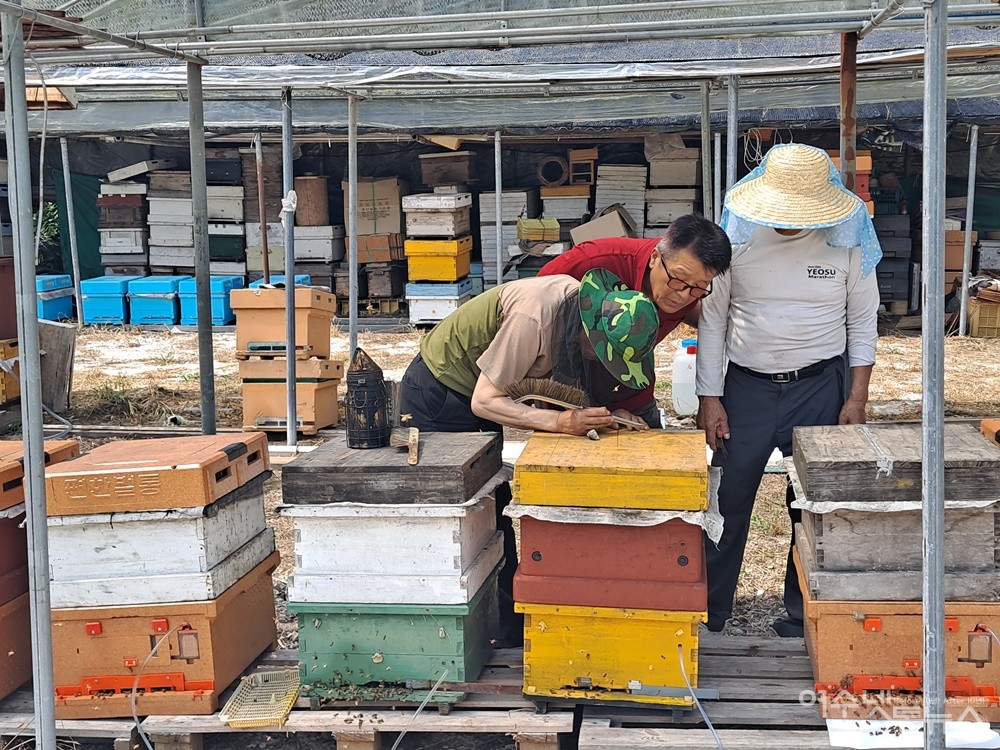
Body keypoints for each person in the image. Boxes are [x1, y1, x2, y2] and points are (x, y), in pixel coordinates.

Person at [398, 269, 659, 646]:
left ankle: (505, 624)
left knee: (493, 510)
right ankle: (465, 631)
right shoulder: (533, 318)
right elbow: (485, 400)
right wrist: (560, 421)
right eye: (607, 357)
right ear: (590, 331)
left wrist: (611, 416)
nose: (606, 367)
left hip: (476, 389)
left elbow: (550, 383)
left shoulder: (579, 308)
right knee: (472, 519)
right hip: (440, 392)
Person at [695, 143, 881, 637]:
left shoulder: (849, 242)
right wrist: (709, 399)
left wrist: (856, 398)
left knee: (813, 506)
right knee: (726, 502)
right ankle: (711, 612)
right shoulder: (736, 238)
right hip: (745, 391)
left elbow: (863, 324)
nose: (791, 223)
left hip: (820, 388)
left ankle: (803, 616)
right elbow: (711, 323)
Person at [538, 214, 732, 428]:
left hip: (632, 398)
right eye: (678, 280)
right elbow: (533, 309)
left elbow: (710, 321)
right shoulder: (592, 261)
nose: (683, 296)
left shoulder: (690, 289)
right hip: (568, 397)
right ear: (655, 257)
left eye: (698, 287)